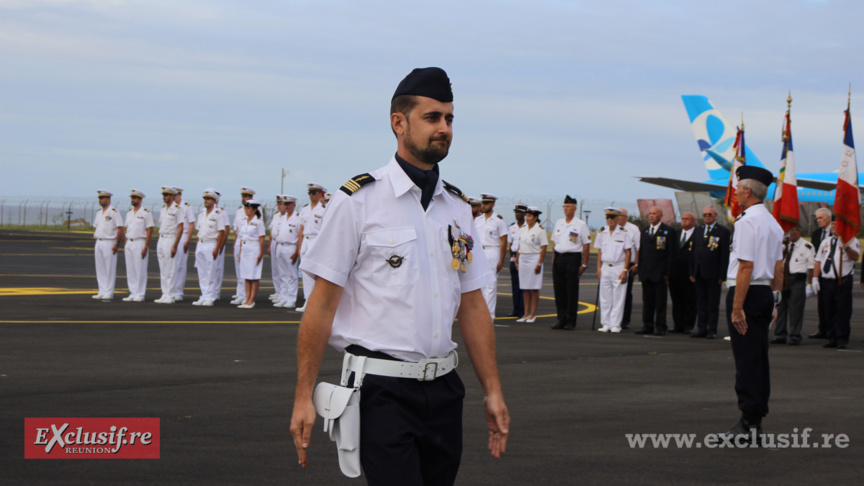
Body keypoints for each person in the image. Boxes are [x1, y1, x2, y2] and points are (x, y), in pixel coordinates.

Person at [289, 67, 509, 485]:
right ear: (398, 123)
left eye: (449, 119)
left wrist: (493, 389)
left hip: (445, 389)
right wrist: (303, 396)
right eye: (432, 118)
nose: (444, 128)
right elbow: (321, 305)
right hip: (381, 391)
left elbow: (473, 304)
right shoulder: (358, 202)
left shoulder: (458, 208)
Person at [718, 166, 784, 443]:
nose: (734, 192)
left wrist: (736, 307)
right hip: (764, 294)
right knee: (758, 359)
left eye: (737, 188)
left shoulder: (747, 222)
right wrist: (776, 299)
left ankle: (748, 424)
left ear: (747, 190)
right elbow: (779, 266)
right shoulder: (772, 222)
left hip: (746, 294)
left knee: (747, 361)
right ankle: (754, 421)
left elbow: (745, 267)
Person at [813, 218, 860, 350]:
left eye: (836, 224)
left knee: (842, 311)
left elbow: (855, 257)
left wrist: (845, 246)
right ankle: (831, 337)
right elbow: (818, 260)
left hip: (842, 281)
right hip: (827, 281)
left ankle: (842, 338)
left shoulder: (851, 240)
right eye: (832, 224)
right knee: (828, 310)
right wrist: (815, 278)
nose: (833, 226)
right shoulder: (826, 241)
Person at [689, 205, 731, 339]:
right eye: (705, 214)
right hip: (699, 273)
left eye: (710, 214)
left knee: (712, 304)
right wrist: (692, 271)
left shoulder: (723, 231)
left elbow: (724, 255)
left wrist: (722, 275)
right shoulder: (698, 230)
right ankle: (701, 328)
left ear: (716, 216)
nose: (707, 216)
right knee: (700, 303)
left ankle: (712, 329)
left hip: (714, 274)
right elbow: (693, 252)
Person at [550, 195, 591, 330]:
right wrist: (554, 260)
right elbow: (555, 243)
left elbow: (586, 245)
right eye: (564, 207)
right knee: (559, 290)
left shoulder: (580, 224)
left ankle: (570, 320)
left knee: (571, 290)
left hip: (572, 259)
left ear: (574, 208)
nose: (566, 209)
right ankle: (561, 318)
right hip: (559, 258)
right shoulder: (559, 223)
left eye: (568, 207)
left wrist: (584, 264)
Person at [636, 206, 678, 336]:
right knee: (647, 301)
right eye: (650, 214)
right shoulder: (644, 231)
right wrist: (640, 267)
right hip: (646, 272)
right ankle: (647, 325)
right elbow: (642, 251)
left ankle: (660, 326)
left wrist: (668, 273)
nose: (651, 216)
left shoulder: (668, 231)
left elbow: (672, 254)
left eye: (654, 213)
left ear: (661, 215)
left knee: (660, 302)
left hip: (660, 273)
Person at [771, 226, 814, 345]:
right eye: (788, 231)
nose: (789, 234)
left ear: (799, 231)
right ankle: (779, 334)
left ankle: (795, 335)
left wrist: (810, 284)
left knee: (796, 309)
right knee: (780, 307)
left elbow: (811, 268)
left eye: (792, 231)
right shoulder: (783, 246)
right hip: (782, 279)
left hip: (797, 280)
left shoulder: (807, 247)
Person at [595, 207, 632, 333]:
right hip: (605, 266)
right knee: (605, 298)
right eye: (607, 217)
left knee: (618, 297)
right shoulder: (601, 232)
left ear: (617, 219)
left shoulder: (624, 232)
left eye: (612, 217)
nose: (609, 220)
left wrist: (625, 270)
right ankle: (605, 323)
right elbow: (599, 251)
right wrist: (598, 268)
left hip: (619, 267)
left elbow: (628, 252)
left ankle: (615, 324)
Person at [294, 183, 327, 312]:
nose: (311, 195)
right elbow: (301, 229)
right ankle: (308, 300)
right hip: (306, 241)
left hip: (316, 240)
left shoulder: (323, 209)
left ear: (320, 194)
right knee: (306, 273)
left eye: (314, 192)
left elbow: (325, 229)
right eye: (310, 193)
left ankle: (316, 302)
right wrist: (299, 246)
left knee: (316, 273)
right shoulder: (305, 209)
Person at [475, 193, 509, 319]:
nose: (484, 206)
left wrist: (501, 260)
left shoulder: (498, 221)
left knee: (490, 285)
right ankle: (480, 313)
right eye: (483, 203)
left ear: (493, 204)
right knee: (479, 284)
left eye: (487, 203)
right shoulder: (477, 220)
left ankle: (489, 316)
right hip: (479, 252)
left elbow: (504, 241)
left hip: (492, 251)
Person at [192, 189, 226, 306]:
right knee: (202, 272)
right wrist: (197, 246)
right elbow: (198, 231)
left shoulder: (218, 215)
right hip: (201, 244)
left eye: (208, 199)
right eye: (205, 199)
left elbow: (221, 232)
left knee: (211, 272)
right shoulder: (201, 214)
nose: (205, 201)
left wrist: (217, 248)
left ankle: (210, 296)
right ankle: (204, 294)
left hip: (211, 243)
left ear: (214, 201)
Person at [515, 206, 548, 323]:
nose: (527, 218)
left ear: (535, 217)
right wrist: (517, 260)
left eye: (529, 216)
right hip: (523, 258)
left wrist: (539, 263)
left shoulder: (540, 230)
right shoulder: (523, 229)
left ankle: (532, 314)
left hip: (534, 257)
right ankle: (525, 313)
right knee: (525, 287)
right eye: (526, 216)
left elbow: (544, 247)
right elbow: (520, 246)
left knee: (534, 287)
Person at [92, 189, 124, 301]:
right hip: (99, 241)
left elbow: (120, 228)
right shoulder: (98, 213)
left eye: (102, 198)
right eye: (99, 198)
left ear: (108, 199)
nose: (100, 200)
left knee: (109, 268)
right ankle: (102, 290)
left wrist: (117, 243)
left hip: (109, 242)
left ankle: (109, 292)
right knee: (100, 268)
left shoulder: (114, 212)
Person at [122, 189, 153, 302]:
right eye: (132, 198)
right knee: (130, 269)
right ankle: (132, 292)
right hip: (129, 242)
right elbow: (127, 229)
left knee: (140, 269)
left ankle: (140, 293)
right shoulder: (129, 213)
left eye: (135, 198)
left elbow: (149, 230)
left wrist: (146, 246)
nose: (133, 200)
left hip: (140, 242)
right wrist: (125, 245)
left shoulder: (146, 212)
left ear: (140, 199)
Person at [155, 187, 184, 304]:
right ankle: (165, 293)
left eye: (166, 195)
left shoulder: (177, 209)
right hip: (161, 239)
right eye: (163, 195)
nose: (164, 197)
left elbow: (181, 228)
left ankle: (171, 295)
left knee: (171, 269)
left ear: (172, 196)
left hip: (171, 239)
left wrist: (175, 245)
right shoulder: (163, 209)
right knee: (163, 269)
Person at [669, 212, 697, 333]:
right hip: (675, 273)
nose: (684, 221)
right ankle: (677, 324)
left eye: (687, 219)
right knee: (676, 300)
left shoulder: (697, 235)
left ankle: (688, 325)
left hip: (689, 273)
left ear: (693, 222)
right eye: (683, 219)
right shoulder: (676, 234)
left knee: (690, 300)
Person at [272, 195, 301, 308]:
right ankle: (283, 297)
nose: (286, 206)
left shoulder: (297, 218)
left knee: (291, 274)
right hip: (280, 246)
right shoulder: (282, 218)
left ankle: (291, 298)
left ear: (294, 205)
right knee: (282, 274)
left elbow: (300, 235)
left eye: (289, 204)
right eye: (285, 204)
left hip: (291, 247)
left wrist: (297, 250)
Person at [236, 199, 266, 309]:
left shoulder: (258, 222)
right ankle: (246, 298)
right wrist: (240, 253)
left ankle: (251, 300)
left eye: (249, 208)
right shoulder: (243, 221)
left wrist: (260, 253)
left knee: (254, 275)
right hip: (245, 248)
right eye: (245, 208)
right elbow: (241, 237)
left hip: (254, 248)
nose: (246, 210)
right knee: (246, 275)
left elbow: (262, 238)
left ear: (254, 210)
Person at [808, 208, 832, 339]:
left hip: (832, 272)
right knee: (821, 303)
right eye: (817, 218)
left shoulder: (835, 233)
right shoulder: (816, 234)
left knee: (832, 304)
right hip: (820, 272)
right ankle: (822, 328)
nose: (818, 220)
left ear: (828, 218)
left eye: (821, 218)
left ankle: (831, 329)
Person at [230, 187, 256, 305]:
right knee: (239, 270)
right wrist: (236, 243)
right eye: (243, 196)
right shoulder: (239, 211)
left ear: (251, 198)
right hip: (240, 241)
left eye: (246, 196)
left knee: (247, 271)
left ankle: (246, 295)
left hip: (249, 243)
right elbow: (237, 229)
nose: (244, 198)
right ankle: (240, 294)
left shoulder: (256, 211)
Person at [171, 187, 196, 302]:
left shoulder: (186, 207)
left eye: (175, 195)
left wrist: (188, 240)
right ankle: (171, 290)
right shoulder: (171, 207)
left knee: (180, 265)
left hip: (183, 235)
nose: (174, 197)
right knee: (171, 265)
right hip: (172, 236)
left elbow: (191, 224)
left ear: (180, 195)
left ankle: (178, 291)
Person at [618, 208, 640, 329]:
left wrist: (636, 265)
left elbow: (638, 248)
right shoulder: (612, 228)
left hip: (628, 265)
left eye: (619, 216)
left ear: (626, 217)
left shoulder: (633, 229)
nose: (617, 218)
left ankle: (625, 320)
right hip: (615, 264)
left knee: (626, 293)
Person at [507, 203, 527, 317]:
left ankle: (523, 309)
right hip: (514, 256)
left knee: (522, 284)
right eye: (516, 212)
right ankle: (516, 309)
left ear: (524, 213)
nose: (517, 214)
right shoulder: (512, 227)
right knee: (515, 284)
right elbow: (511, 245)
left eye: (519, 212)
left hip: (524, 256)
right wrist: (513, 258)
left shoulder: (527, 226)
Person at [268, 195, 287, 304]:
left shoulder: (288, 217)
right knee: (275, 269)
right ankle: (278, 291)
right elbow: (272, 231)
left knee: (282, 270)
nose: (279, 206)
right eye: (278, 204)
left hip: (282, 242)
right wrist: (270, 245)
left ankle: (282, 292)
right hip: (275, 242)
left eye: (281, 204)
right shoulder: (276, 216)